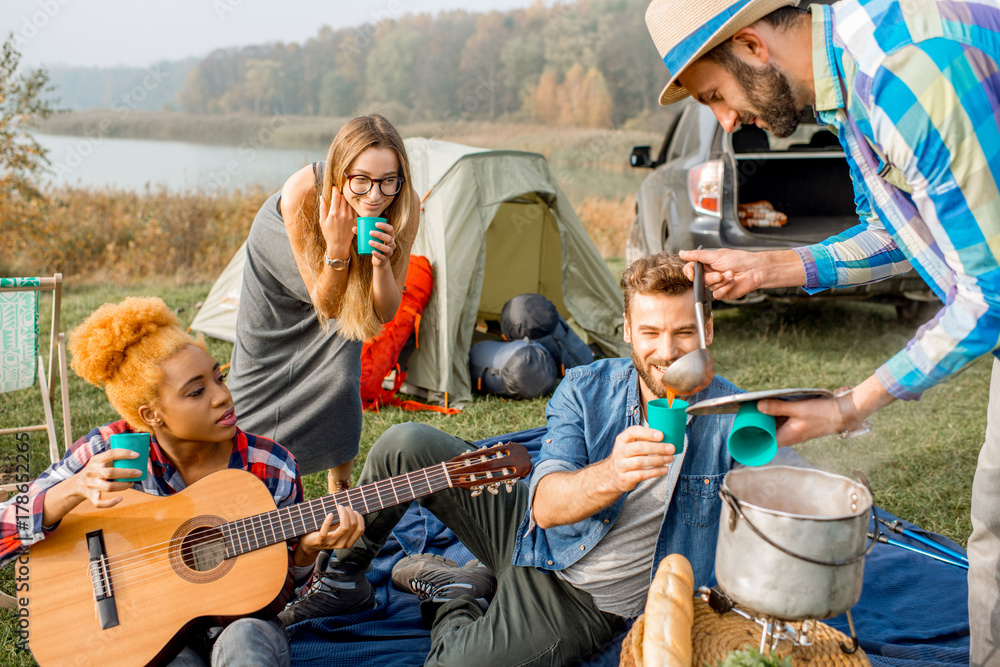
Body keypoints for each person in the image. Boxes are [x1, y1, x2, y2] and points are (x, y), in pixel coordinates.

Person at [643, 0, 1000, 662]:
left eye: (716, 96)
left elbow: (992, 292)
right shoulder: (845, 94)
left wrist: (846, 406)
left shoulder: (902, 77)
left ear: (752, 47)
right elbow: (900, 229)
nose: (727, 120)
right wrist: (768, 267)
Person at [314, 253, 742, 665]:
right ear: (628, 330)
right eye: (651, 332)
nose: (667, 353)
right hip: (530, 527)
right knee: (402, 444)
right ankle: (340, 579)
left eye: (684, 332)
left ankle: (457, 593)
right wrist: (613, 473)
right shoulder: (586, 386)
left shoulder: (737, 417)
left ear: (708, 329)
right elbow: (546, 506)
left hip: (579, 598)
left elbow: (786, 507)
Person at [0, 297, 366, 666]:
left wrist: (307, 553)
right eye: (196, 391)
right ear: (151, 415)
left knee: (248, 640)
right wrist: (70, 490)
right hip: (144, 633)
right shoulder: (107, 452)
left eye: (218, 377)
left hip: (243, 628)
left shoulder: (271, 466)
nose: (223, 396)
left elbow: (286, 594)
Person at [226, 113, 420, 495]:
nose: (375, 195)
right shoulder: (304, 193)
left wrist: (380, 265)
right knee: (257, 365)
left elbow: (383, 313)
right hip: (283, 252)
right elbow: (328, 306)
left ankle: (341, 482)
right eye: (361, 180)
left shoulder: (405, 206)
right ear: (339, 174)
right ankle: (241, 469)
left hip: (339, 283)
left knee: (341, 375)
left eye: (388, 181)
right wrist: (336, 249)